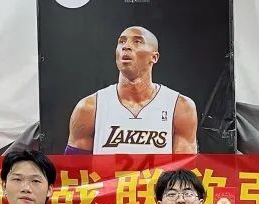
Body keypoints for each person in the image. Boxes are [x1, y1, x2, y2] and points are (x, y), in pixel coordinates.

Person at [66, 25, 198, 155]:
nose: (126, 46)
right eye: (122, 41)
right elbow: (73, 167)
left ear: (154, 57)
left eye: (137, 41)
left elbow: (185, 168)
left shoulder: (180, 107)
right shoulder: (89, 108)